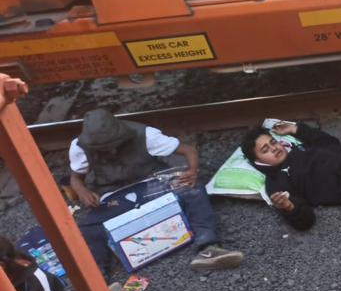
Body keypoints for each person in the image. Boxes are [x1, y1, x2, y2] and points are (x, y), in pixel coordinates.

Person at [69, 109, 243, 273]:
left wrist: (192, 172)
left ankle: (208, 248)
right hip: (115, 195)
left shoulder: (145, 134)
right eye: (103, 149)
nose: (112, 151)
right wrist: (82, 190)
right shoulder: (79, 147)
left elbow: (188, 151)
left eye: (116, 145)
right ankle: (99, 279)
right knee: (88, 227)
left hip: (152, 184)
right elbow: (75, 178)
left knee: (193, 189)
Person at [240, 119, 341, 230]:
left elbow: (331, 143)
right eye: (265, 150)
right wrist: (289, 207)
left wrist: (296, 129)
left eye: (273, 142)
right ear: (257, 160)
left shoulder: (295, 149)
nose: (274, 148)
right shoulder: (276, 182)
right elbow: (306, 222)